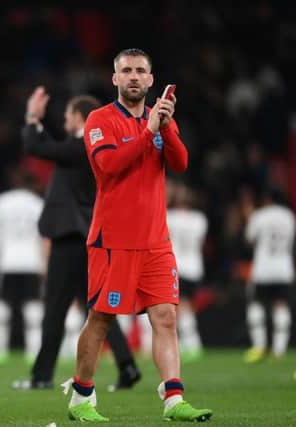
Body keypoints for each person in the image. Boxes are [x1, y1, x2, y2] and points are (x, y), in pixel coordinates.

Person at [62, 48, 212, 422]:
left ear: (150, 79)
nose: (132, 76)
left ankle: (174, 399)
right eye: (125, 70)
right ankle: (81, 397)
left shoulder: (158, 119)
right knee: (102, 318)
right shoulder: (100, 119)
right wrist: (148, 133)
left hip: (155, 241)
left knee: (165, 316)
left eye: (140, 71)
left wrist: (166, 127)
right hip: (112, 241)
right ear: (114, 79)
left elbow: (180, 162)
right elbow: (108, 164)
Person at [13, 87, 141, 391]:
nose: (65, 118)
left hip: (70, 237)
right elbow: (47, 146)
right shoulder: (89, 146)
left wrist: (33, 116)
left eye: (69, 113)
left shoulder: (82, 143)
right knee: (98, 309)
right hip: (86, 236)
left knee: (55, 307)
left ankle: (42, 376)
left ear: (81, 117)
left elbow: (35, 146)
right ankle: (127, 366)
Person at [0, 165, 45, 366]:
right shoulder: (37, 203)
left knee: (0, 306)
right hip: (32, 261)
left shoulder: (1, 202)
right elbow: (44, 238)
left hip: (8, 261)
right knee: (33, 306)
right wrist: (45, 265)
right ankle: (33, 352)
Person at [243, 188, 294, 363]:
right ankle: (279, 350)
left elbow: (250, 240)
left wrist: (249, 216)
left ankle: (259, 347)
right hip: (284, 268)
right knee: (281, 305)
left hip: (263, 269)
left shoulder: (260, 215)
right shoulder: (289, 216)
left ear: (267, 198)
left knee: (256, 304)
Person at [166, 182, 208, 362]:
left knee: (180, 306)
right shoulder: (200, 219)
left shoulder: (170, 216)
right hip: (195, 267)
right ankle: (191, 342)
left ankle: (191, 343)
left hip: (177, 266)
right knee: (187, 305)